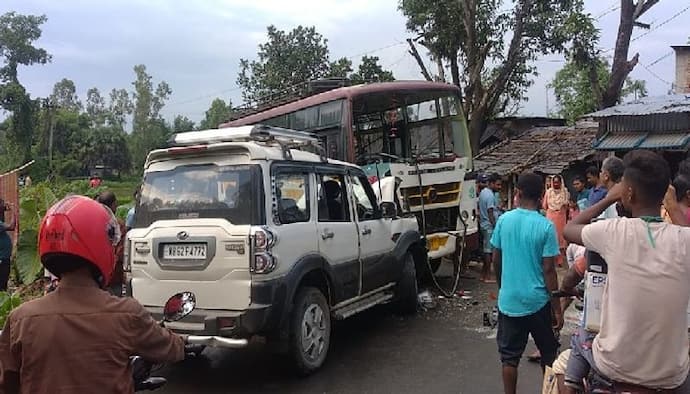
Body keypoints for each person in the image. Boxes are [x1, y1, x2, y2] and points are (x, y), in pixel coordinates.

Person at [0, 195, 185, 393]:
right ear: (100, 244)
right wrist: (181, 342)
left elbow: (7, 383)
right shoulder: (127, 314)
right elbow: (171, 349)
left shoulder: (21, 319)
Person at [562, 150, 690, 393]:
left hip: (613, 367)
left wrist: (608, 199)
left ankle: (570, 385)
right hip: (671, 377)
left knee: (582, 335)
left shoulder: (614, 232)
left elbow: (570, 229)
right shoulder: (683, 239)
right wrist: (673, 208)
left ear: (627, 193)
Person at [491, 173, 562, 394]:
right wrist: (557, 308)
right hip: (538, 302)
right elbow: (549, 270)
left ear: (518, 194)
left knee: (509, 359)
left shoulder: (504, 221)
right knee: (548, 355)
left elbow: (496, 259)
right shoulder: (546, 227)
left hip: (510, 301)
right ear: (542, 196)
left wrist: (504, 286)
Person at [95, 191, 127, 297]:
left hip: (96, 276)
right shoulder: (119, 225)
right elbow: (120, 253)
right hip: (114, 278)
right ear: (114, 205)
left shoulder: (94, 222)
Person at [479, 173, 502, 283]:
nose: (499, 187)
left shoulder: (483, 192)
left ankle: (484, 274)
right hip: (489, 225)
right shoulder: (490, 196)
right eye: (497, 185)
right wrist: (495, 225)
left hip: (484, 224)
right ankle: (487, 276)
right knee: (489, 251)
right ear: (491, 183)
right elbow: (490, 211)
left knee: (486, 250)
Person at [543, 175, 569, 265]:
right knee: (551, 236)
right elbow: (544, 205)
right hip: (551, 216)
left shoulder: (565, 192)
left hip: (561, 217)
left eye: (558, 182)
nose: (556, 184)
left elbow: (567, 205)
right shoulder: (549, 192)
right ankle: (551, 259)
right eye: (554, 182)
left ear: (561, 182)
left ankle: (560, 260)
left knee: (561, 238)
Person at [0, 201, 17, 292]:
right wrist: (14, 210)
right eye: (2, 204)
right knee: (2, 285)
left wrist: (5, 208)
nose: (5, 205)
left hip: (4, 259)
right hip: (2, 260)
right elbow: (12, 226)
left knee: (3, 284)